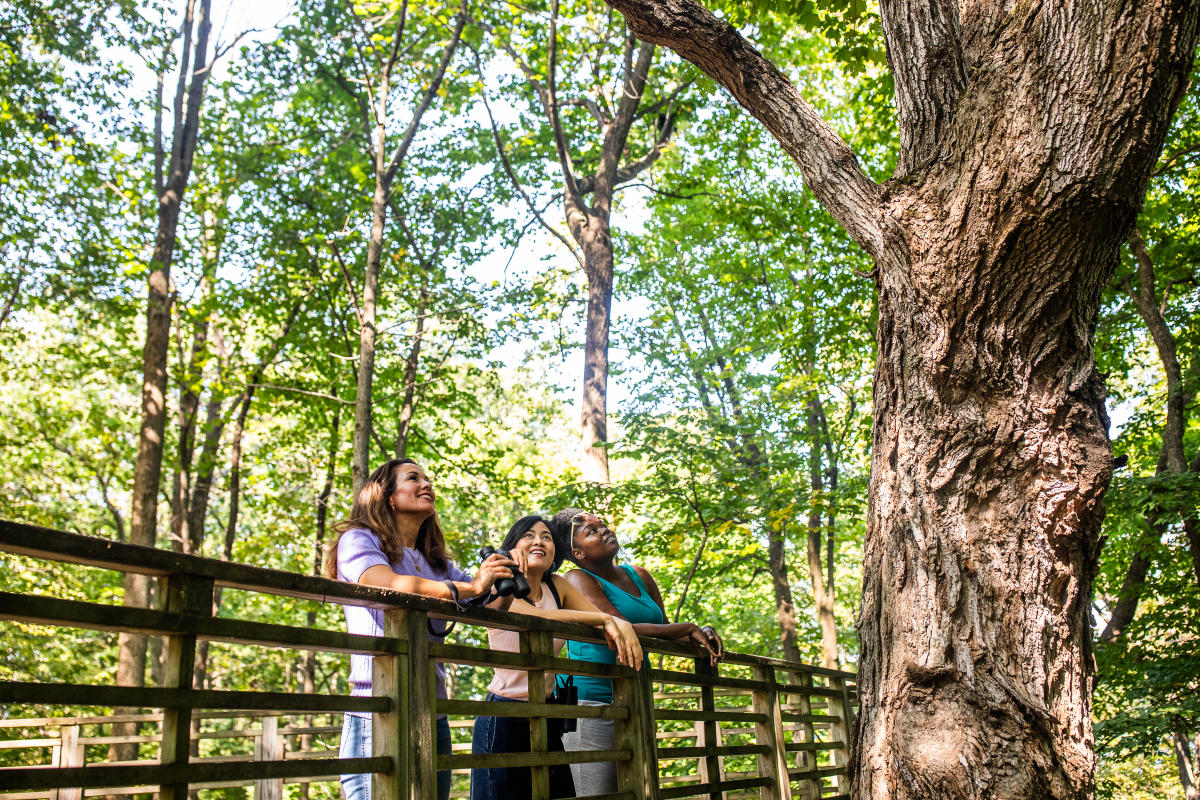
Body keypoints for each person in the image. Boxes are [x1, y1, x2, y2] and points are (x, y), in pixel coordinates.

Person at [324, 458, 520, 800]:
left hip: (434, 710)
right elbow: (383, 584)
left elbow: (485, 610)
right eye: (414, 478)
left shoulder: (437, 563)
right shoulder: (358, 539)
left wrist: (504, 582)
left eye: (428, 478)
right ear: (386, 496)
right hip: (378, 706)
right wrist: (473, 587)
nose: (426, 484)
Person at [470, 515, 643, 800]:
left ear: (554, 554)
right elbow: (541, 618)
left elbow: (597, 618)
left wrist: (614, 622)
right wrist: (604, 618)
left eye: (547, 537)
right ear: (512, 548)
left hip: (547, 714)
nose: (539, 541)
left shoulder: (557, 585)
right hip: (504, 716)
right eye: (529, 535)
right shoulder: (500, 587)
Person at [553, 508, 724, 795]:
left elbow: (667, 631)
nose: (604, 530)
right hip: (591, 704)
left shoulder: (639, 575)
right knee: (596, 793)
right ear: (577, 552)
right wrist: (687, 627)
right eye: (592, 531)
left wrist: (702, 633)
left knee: (637, 791)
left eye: (602, 525)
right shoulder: (576, 579)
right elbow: (620, 626)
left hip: (636, 698)